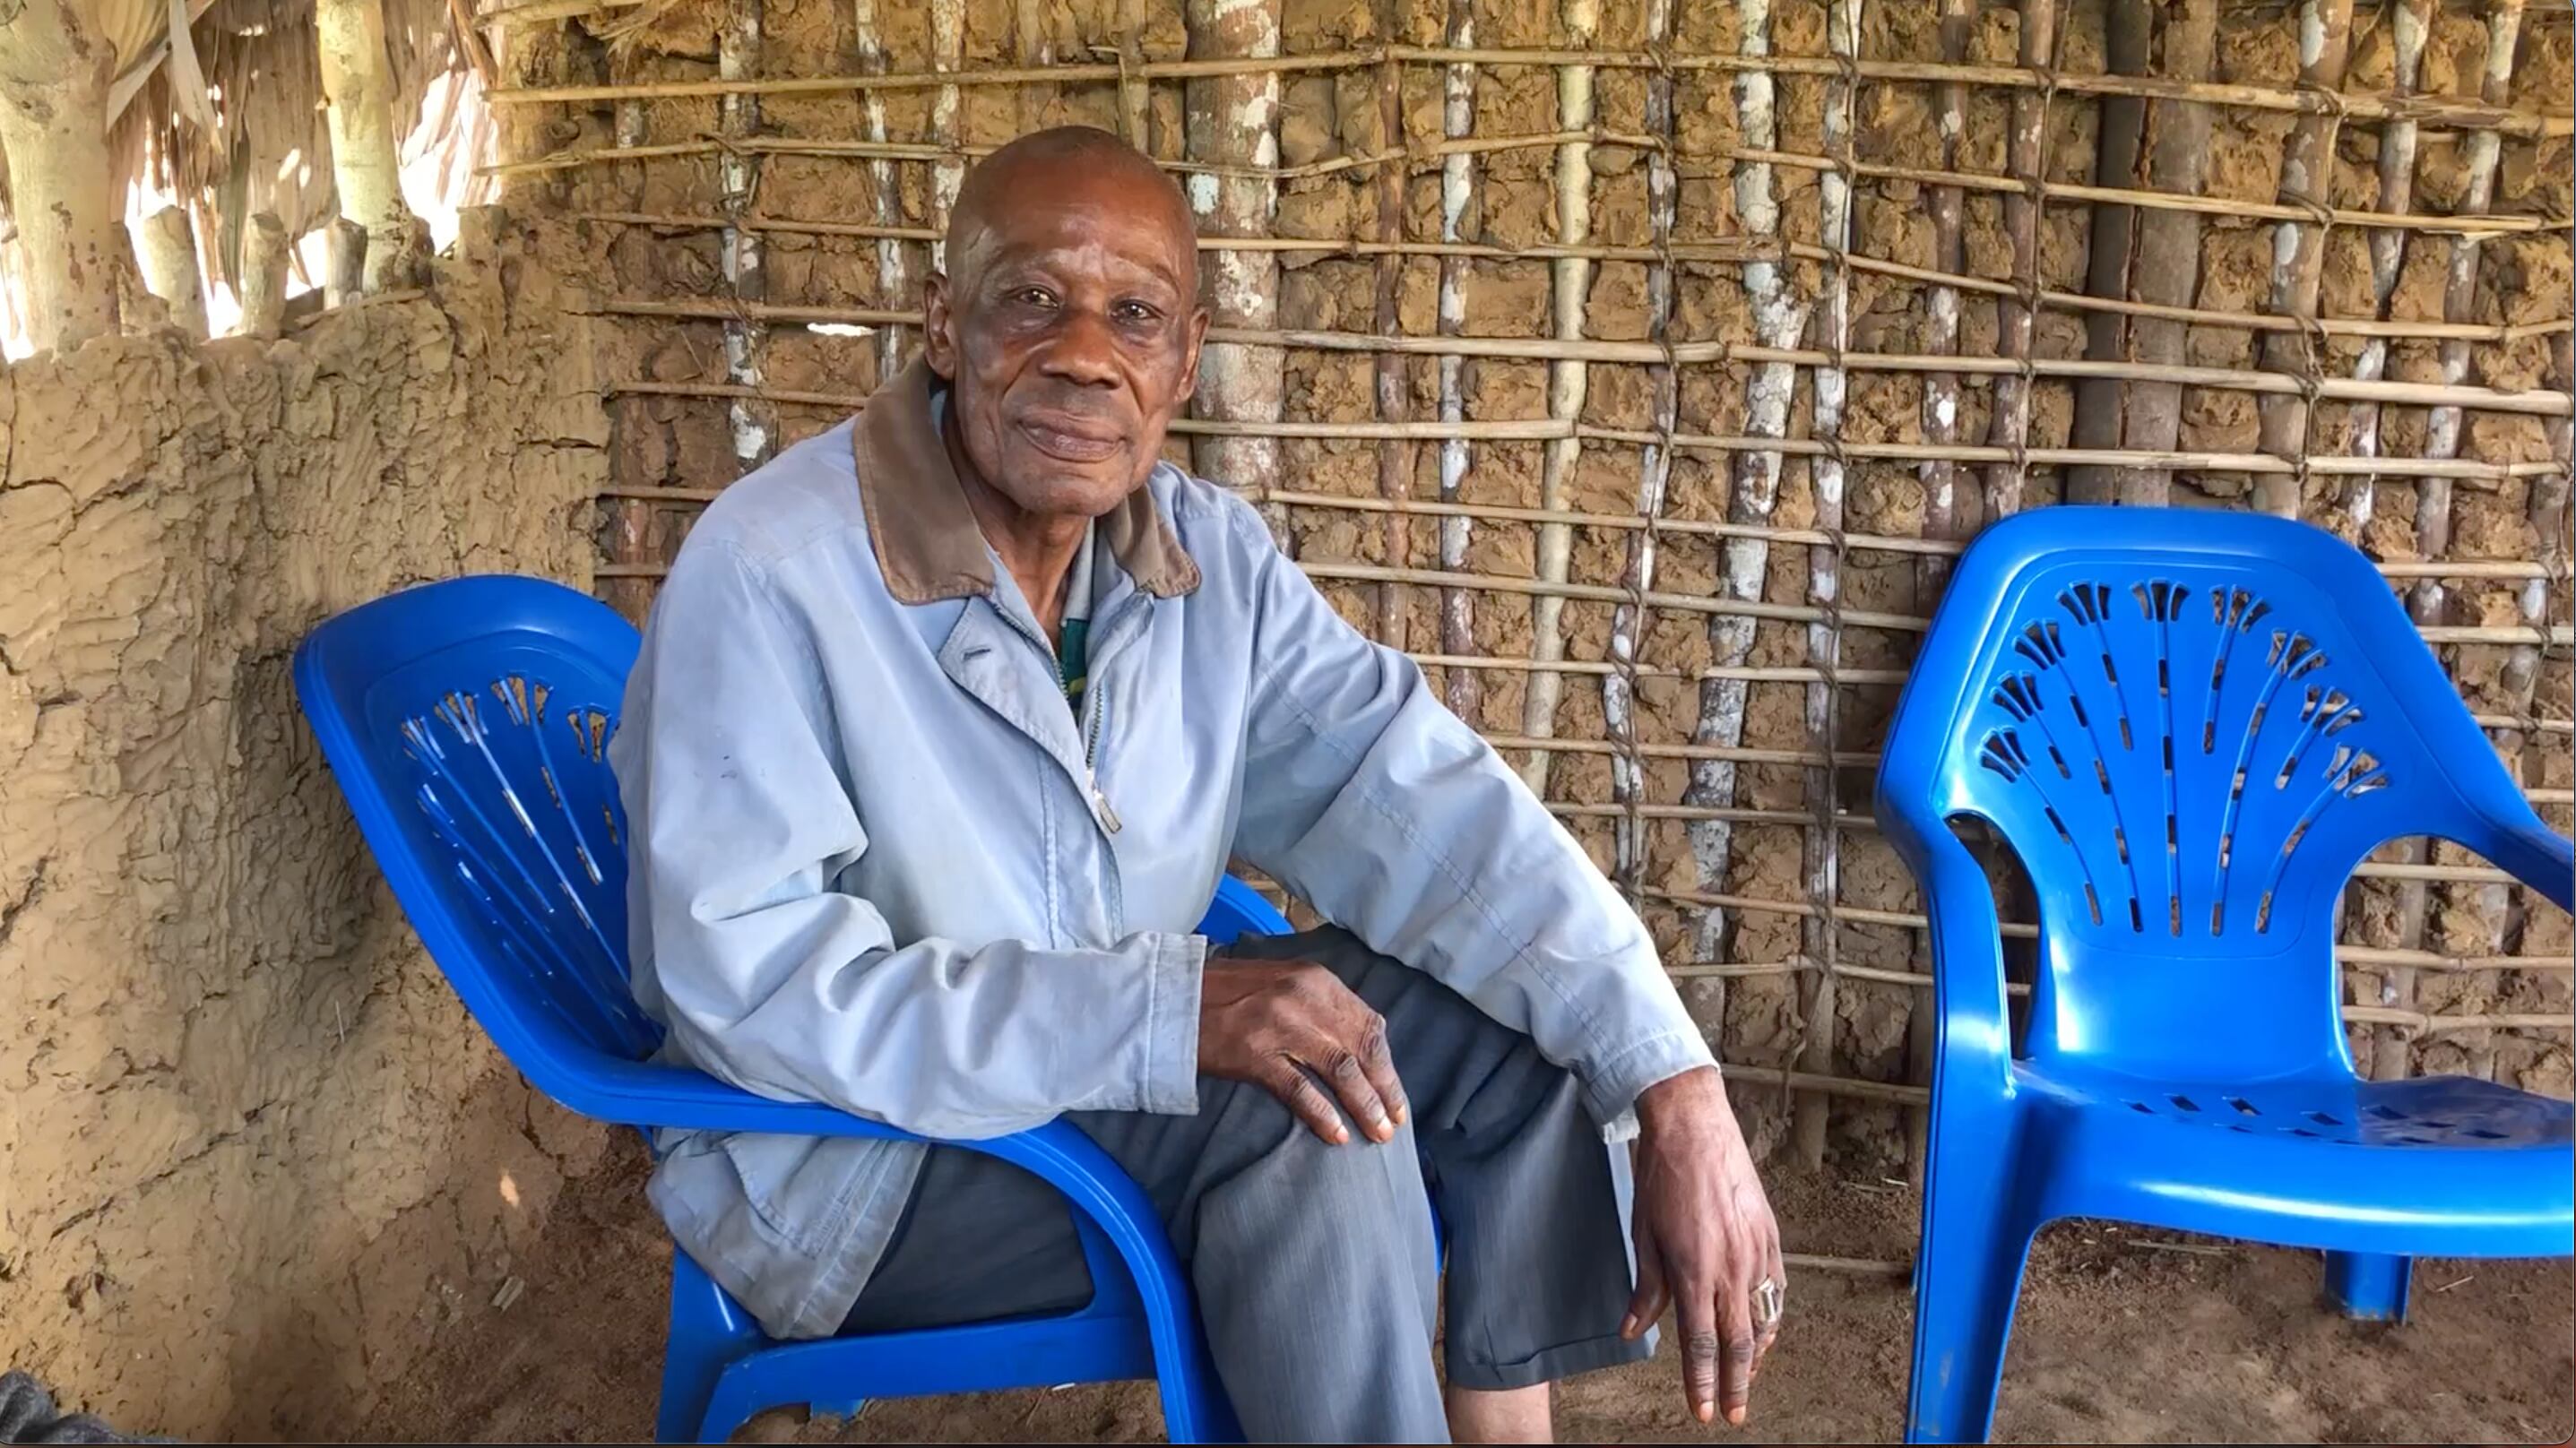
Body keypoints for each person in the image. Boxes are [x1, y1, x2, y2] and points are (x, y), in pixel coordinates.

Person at [611, 125, 1785, 1444]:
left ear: (1184, 356)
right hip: (853, 1166)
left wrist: (1673, 1083)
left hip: (1098, 1082)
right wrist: (1159, 1018)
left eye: (1134, 316)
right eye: (1031, 302)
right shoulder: (773, 571)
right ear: (943, 326)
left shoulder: (1201, 564)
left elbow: (1425, 804)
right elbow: (759, 993)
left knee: (1498, 1036)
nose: (1083, 355)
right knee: (1304, 1127)